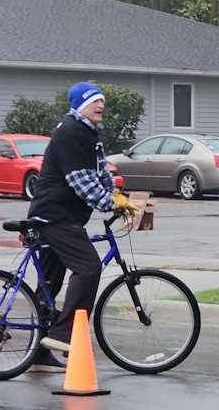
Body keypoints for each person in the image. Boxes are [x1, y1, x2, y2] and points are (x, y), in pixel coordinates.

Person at [27, 82, 139, 372]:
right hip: (55, 216)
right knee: (89, 267)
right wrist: (109, 204)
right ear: (80, 106)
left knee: (48, 284)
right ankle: (62, 334)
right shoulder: (71, 133)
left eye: (102, 101)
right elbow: (81, 183)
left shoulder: (90, 133)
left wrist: (115, 195)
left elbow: (100, 173)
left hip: (63, 216)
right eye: (94, 102)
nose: (100, 106)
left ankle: (38, 352)